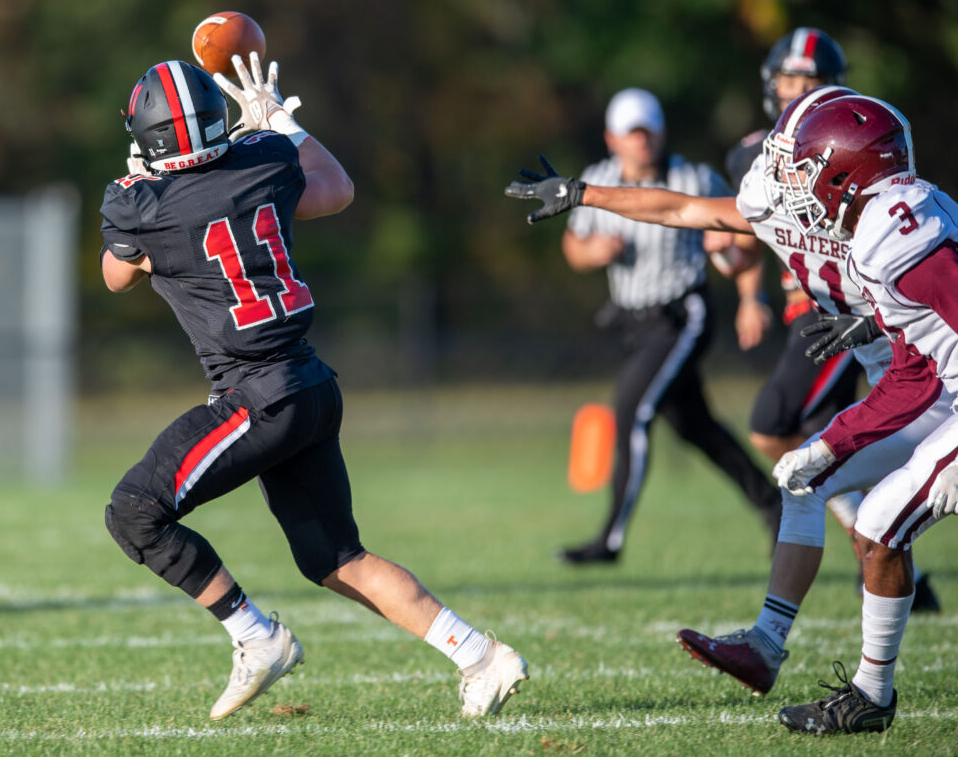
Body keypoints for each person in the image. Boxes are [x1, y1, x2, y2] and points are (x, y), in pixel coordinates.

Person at [100, 55, 527, 720]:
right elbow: (337, 187)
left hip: (256, 396)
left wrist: (140, 194)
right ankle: (479, 655)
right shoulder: (263, 161)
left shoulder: (142, 205)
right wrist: (282, 122)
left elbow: (115, 276)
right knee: (335, 558)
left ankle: (256, 638)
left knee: (133, 510)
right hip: (310, 384)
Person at [503, 87, 950, 698]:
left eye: (799, 162)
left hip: (928, 379)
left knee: (867, 509)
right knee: (800, 476)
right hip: (903, 376)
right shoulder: (782, 201)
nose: (783, 175)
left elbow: (932, 301)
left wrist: (875, 319)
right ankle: (766, 647)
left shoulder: (892, 219)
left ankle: (868, 690)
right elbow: (682, 210)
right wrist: (584, 194)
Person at [767, 94, 958, 734]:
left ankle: (871, 700)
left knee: (879, 526)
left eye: (806, 170)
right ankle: (869, 698)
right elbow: (912, 374)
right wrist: (830, 445)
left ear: (843, 170)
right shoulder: (901, 211)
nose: (799, 186)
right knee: (877, 525)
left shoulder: (894, 235)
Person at [553, 87, 783, 565]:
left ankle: (611, 538)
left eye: (648, 131)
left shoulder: (693, 177)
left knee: (632, 409)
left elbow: (748, 235)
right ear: (612, 138)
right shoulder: (597, 179)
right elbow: (574, 248)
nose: (642, 142)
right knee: (696, 426)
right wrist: (595, 253)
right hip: (633, 324)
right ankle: (774, 505)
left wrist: (749, 298)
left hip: (682, 315)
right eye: (632, 133)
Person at [714, 31, 869, 562]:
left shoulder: (850, 143)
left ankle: (870, 528)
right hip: (803, 307)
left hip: (844, 310)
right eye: (791, 79)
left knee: (772, 421)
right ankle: (882, 552)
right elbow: (746, 241)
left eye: (813, 80)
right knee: (821, 437)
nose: (800, 89)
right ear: (771, 84)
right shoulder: (748, 154)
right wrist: (744, 290)